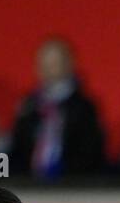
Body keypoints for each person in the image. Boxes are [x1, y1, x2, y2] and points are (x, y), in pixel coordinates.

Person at [10, 38, 107, 180]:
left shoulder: (84, 107)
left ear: (69, 64)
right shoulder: (29, 106)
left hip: (71, 187)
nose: (48, 70)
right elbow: (18, 148)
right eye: (43, 64)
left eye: (54, 64)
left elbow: (90, 153)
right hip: (31, 186)